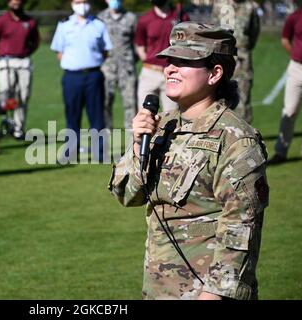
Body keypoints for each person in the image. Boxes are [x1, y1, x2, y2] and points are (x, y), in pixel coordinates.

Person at [108, 22, 269, 300]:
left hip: (205, 293)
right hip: (160, 289)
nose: (170, 68)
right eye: (170, 60)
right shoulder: (164, 127)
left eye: (184, 61)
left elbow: (241, 228)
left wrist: (214, 294)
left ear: (215, 73)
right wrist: (137, 145)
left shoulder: (236, 140)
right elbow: (128, 194)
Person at [51, 0, 113, 163]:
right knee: (72, 115)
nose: (82, 5)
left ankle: (99, 152)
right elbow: (59, 51)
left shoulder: (99, 25)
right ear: (72, 3)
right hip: (72, 76)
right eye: (79, 1)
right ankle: (70, 151)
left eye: (85, 1)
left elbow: (105, 50)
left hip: (93, 75)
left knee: (97, 115)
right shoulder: (64, 25)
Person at [0, 0, 40, 140]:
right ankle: (7, 122)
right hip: (6, 61)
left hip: (24, 62)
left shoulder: (30, 21)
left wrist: (27, 52)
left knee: (23, 95)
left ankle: (18, 128)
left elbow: (36, 41)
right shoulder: (1, 21)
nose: (16, 2)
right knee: (7, 95)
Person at [134, 0, 189, 113]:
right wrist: (148, 60)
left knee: (172, 115)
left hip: (172, 72)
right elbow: (140, 44)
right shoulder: (145, 19)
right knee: (144, 114)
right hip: (149, 73)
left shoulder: (181, 16)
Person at [212, 0, 260, 124]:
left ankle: (245, 136)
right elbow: (212, 30)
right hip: (221, 60)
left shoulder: (250, 7)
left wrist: (243, 49)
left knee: (244, 100)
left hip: (243, 61)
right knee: (218, 98)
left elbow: (254, 32)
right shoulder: (219, 5)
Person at [268, 4, 302, 164]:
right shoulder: (295, 17)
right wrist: (296, 53)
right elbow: (285, 39)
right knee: (289, 111)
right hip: (296, 68)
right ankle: (281, 152)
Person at [98, 0, 137, 130]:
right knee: (104, 103)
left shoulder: (131, 18)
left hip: (127, 69)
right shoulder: (100, 18)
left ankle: (132, 141)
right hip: (106, 68)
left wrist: (130, 60)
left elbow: (137, 43)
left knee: (130, 103)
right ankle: (105, 139)